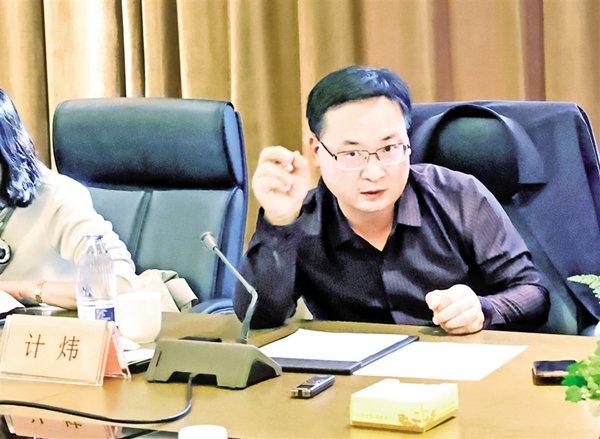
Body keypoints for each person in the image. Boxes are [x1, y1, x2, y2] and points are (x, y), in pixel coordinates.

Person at [234, 66, 549, 335]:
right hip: (354, 379)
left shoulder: (459, 196)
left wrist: (482, 309)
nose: (374, 172)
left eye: (389, 149)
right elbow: (258, 318)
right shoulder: (301, 217)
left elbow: (534, 294)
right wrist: (279, 223)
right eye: (352, 153)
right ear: (317, 151)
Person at [0, 88, 136, 310]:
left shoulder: (56, 196)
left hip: (51, 327)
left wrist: (23, 289)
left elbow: (119, 284)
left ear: (5, 151)